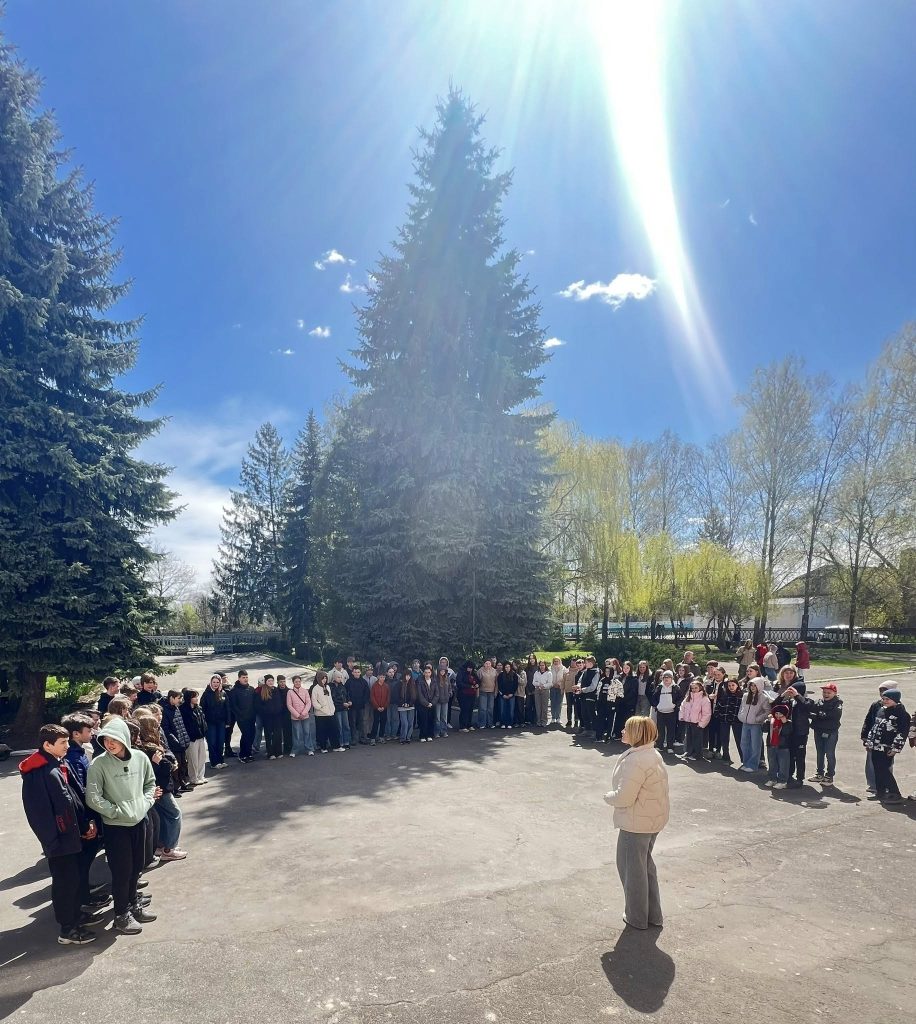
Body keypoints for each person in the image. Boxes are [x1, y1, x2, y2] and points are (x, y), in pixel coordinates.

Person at [20, 724, 103, 945]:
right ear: (47, 745)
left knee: (74, 879)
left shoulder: (58, 763)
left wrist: (85, 824)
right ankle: (68, 929)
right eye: (62, 743)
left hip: (72, 836)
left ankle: (76, 915)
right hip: (59, 841)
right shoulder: (39, 773)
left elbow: (73, 799)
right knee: (65, 884)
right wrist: (53, 841)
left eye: (67, 741)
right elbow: (39, 814)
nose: (67, 746)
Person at [85, 717, 157, 934]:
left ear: (124, 738)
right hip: (116, 827)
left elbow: (150, 784)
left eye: (114, 739)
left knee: (137, 868)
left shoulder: (140, 758)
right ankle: (121, 915)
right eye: (106, 740)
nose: (109, 744)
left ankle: (134, 904)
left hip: (139, 821)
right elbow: (93, 797)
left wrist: (145, 804)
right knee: (121, 872)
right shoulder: (99, 764)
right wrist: (115, 812)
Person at [603, 715, 669, 930]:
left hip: (637, 822)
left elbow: (624, 797)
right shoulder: (652, 754)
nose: (622, 731)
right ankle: (653, 915)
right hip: (651, 819)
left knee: (632, 871)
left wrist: (608, 797)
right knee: (644, 867)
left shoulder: (636, 759)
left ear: (636, 734)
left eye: (626, 728)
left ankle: (637, 917)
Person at [137, 716, 186, 863]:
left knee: (162, 817)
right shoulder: (150, 749)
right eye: (156, 726)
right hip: (160, 788)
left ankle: (163, 845)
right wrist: (167, 765)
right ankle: (169, 849)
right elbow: (157, 769)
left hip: (157, 788)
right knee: (174, 814)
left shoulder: (145, 747)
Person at [863, 688, 908, 805]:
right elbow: (874, 728)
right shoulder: (881, 710)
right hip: (875, 746)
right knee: (877, 769)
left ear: (895, 699)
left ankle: (894, 793)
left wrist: (895, 749)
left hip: (887, 748)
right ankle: (880, 792)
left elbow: (902, 733)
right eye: (883, 699)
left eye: (887, 699)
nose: (884, 701)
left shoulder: (902, 714)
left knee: (884, 770)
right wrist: (869, 742)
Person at [861, 681, 897, 791]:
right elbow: (868, 720)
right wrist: (865, 737)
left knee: (887, 764)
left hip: (887, 742)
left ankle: (886, 786)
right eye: (880, 691)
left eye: (885, 691)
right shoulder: (875, 705)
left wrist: (895, 745)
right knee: (871, 763)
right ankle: (873, 785)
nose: (882, 693)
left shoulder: (897, 708)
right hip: (873, 740)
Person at [809, 683, 843, 785]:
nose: (826, 694)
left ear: (835, 693)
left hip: (830, 732)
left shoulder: (837, 704)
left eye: (829, 693)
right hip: (818, 730)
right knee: (820, 753)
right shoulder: (819, 702)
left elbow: (833, 716)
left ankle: (829, 776)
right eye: (824, 692)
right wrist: (819, 715)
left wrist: (818, 715)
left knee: (829, 753)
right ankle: (819, 774)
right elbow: (812, 712)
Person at [737, 668, 771, 772]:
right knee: (744, 744)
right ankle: (746, 763)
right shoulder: (745, 695)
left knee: (755, 745)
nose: (752, 687)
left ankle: (752, 765)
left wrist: (758, 719)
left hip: (756, 724)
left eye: (755, 685)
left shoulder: (763, 697)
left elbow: (767, 711)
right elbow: (742, 707)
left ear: (759, 686)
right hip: (745, 723)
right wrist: (741, 716)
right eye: (751, 685)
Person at [781, 680, 813, 787]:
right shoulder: (791, 702)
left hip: (801, 734)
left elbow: (807, 706)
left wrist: (797, 695)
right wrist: (783, 695)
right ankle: (789, 775)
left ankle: (800, 778)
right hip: (791, 733)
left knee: (800, 757)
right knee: (790, 755)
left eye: (793, 691)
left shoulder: (806, 701)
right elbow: (776, 705)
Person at [161, 690, 192, 790]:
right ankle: (176, 787)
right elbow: (166, 730)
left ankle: (183, 783)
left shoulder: (176, 708)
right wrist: (175, 741)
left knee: (183, 764)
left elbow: (181, 725)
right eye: (178, 698)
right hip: (174, 744)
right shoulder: (165, 711)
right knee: (176, 765)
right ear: (171, 698)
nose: (180, 700)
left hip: (181, 742)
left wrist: (185, 739)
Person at [679, 679, 712, 762]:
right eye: (692, 688)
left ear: (700, 688)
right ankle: (688, 752)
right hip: (689, 721)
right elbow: (682, 706)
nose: (694, 690)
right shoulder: (688, 697)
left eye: (696, 688)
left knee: (697, 739)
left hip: (697, 722)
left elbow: (707, 713)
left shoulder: (704, 699)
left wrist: (702, 723)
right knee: (689, 738)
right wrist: (682, 716)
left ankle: (697, 755)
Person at [227, 669, 256, 762]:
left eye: (246, 677)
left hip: (251, 717)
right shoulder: (234, 690)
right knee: (246, 735)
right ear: (239, 678)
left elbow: (255, 703)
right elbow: (233, 706)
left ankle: (249, 753)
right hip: (241, 718)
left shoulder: (251, 689)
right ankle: (243, 755)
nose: (245, 679)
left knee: (252, 734)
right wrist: (240, 715)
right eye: (243, 677)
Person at [180, 689, 208, 785]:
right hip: (191, 738)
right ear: (189, 698)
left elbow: (202, 721)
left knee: (202, 757)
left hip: (201, 736)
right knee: (193, 759)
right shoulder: (183, 709)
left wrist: (204, 731)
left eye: (196, 696)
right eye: (194, 697)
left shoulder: (198, 708)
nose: (196, 698)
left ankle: (200, 776)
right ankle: (193, 778)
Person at [712, 677, 743, 765]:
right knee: (724, 739)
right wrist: (718, 715)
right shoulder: (724, 695)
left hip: (737, 720)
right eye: (729, 685)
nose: (731, 687)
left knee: (739, 740)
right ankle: (726, 758)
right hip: (724, 720)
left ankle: (744, 759)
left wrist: (742, 717)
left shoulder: (741, 696)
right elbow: (718, 706)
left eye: (733, 685)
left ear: (737, 685)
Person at [650, 670, 682, 753]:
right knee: (660, 730)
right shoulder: (659, 687)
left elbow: (680, 698)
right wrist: (657, 706)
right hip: (660, 712)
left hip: (671, 712)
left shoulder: (676, 687)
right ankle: (659, 745)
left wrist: (675, 705)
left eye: (668, 677)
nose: (666, 679)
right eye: (664, 677)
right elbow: (654, 698)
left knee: (671, 730)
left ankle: (670, 747)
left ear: (672, 678)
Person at [201, 674, 228, 770]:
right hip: (210, 723)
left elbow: (227, 708)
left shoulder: (223, 693)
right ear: (210, 683)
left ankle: (221, 760)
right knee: (212, 742)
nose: (216, 684)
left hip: (221, 722)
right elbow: (202, 709)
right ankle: (214, 762)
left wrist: (228, 721)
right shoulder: (206, 694)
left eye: (217, 682)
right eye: (214, 682)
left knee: (220, 742)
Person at [310, 671, 341, 752]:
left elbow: (330, 699)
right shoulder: (315, 688)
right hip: (321, 714)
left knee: (334, 730)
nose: (324, 680)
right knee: (322, 731)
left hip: (330, 712)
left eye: (325, 678)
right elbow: (314, 701)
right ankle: (323, 747)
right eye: (323, 678)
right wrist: (321, 707)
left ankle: (336, 746)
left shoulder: (327, 687)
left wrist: (332, 708)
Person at [765, 703, 793, 790]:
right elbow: (764, 729)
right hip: (771, 745)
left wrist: (785, 723)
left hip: (783, 747)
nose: (778, 715)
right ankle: (772, 779)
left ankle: (782, 781)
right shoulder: (772, 721)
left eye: (780, 714)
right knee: (772, 763)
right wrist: (768, 721)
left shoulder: (788, 723)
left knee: (783, 765)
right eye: (776, 713)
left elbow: (787, 733)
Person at [287, 675, 314, 756]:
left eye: (299, 681)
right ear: (293, 682)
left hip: (305, 716)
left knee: (307, 732)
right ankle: (295, 750)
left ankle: (309, 749)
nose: (298, 683)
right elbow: (289, 705)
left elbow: (308, 703)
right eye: (296, 682)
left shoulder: (305, 691)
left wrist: (303, 713)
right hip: (295, 717)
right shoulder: (290, 692)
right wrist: (297, 715)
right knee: (296, 734)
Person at [576, 656, 600, 738]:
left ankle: (594, 731)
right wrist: (578, 686)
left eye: (585, 663)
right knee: (584, 713)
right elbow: (580, 681)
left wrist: (583, 690)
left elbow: (593, 686)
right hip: (583, 695)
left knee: (591, 714)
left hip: (591, 696)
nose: (584, 664)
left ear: (591, 663)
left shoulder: (596, 672)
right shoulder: (585, 671)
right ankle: (587, 730)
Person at [347, 665, 371, 745]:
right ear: (352, 673)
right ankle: (354, 739)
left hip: (361, 706)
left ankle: (362, 738)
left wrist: (363, 702)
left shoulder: (363, 682)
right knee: (353, 723)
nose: (357, 674)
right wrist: (349, 701)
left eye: (358, 672)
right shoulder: (349, 682)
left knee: (362, 722)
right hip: (352, 707)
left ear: (360, 673)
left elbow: (367, 693)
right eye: (355, 672)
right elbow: (346, 693)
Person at [330, 670, 352, 749]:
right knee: (339, 726)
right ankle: (340, 742)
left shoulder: (342, 685)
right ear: (334, 678)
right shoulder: (331, 687)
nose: (340, 679)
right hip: (337, 709)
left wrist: (349, 701)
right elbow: (333, 698)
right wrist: (342, 703)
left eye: (341, 677)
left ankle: (346, 742)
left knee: (346, 726)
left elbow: (346, 695)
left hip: (344, 708)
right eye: (338, 677)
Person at [370, 670, 391, 744]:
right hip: (376, 708)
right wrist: (377, 706)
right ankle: (373, 738)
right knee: (375, 722)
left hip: (384, 707)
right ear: (378, 677)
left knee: (383, 722)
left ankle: (381, 737)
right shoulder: (374, 686)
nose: (382, 678)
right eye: (381, 677)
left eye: (383, 677)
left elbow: (388, 697)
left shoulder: (386, 686)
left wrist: (384, 706)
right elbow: (372, 697)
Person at [398, 667, 418, 743]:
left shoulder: (413, 684)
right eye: (406, 675)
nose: (408, 677)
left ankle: (408, 737)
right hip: (402, 707)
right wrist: (402, 704)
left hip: (411, 706)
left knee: (410, 723)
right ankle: (402, 738)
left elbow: (414, 696)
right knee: (404, 723)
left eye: (409, 676)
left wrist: (409, 704)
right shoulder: (399, 684)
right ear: (404, 675)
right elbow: (397, 696)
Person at [415, 664, 435, 741]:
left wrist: (432, 703)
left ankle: (429, 735)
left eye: (429, 672)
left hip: (432, 704)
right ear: (423, 673)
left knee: (430, 720)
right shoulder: (420, 681)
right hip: (423, 705)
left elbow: (436, 694)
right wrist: (427, 703)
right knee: (423, 720)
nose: (427, 674)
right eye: (426, 672)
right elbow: (419, 694)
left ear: (431, 673)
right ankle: (422, 736)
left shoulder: (434, 681)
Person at [431, 666, 452, 738]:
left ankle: (444, 731)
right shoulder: (435, 679)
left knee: (444, 717)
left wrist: (449, 694)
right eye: (441, 671)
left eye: (444, 671)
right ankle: (436, 732)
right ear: (438, 671)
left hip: (445, 700)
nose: (442, 672)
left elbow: (450, 688)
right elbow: (433, 689)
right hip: (438, 701)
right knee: (437, 717)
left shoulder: (447, 678)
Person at [457, 662, 479, 732]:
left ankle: (469, 724)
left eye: (471, 668)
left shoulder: (473, 673)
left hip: (472, 694)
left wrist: (477, 684)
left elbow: (478, 680)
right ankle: (462, 726)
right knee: (464, 710)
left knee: (470, 709)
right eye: (469, 668)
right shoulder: (461, 672)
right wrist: (469, 686)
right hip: (463, 694)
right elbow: (459, 683)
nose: (470, 669)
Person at [477, 658, 497, 729]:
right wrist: (477, 693)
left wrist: (496, 691)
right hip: (483, 692)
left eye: (489, 663)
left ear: (491, 664)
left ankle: (490, 723)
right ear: (484, 664)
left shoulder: (494, 671)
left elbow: (496, 682)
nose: (488, 665)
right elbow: (477, 682)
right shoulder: (480, 671)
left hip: (491, 692)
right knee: (483, 708)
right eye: (486, 663)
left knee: (490, 708)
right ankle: (481, 723)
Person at [532, 660, 552, 728]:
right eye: (540, 665)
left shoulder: (549, 673)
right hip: (537, 690)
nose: (542, 667)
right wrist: (538, 684)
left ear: (545, 665)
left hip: (545, 690)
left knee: (544, 707)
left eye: (543, 665)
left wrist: (544, 686)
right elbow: (533, 682)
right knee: (538, 706)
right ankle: (538, 721)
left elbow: (550, 683)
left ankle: (544, 721)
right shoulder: (536, 672)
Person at [563, 657, 582, 729]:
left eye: (574, 663)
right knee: (569, 706)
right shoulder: (566, 671)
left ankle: (576, 721)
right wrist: (562, 689)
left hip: (576, 691)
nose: (573, 664)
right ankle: (569, 720)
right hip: (568, 691)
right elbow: (563, 680)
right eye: (572, 663)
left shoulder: (579, 671)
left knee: (576, 707)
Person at [497, 662, 517, 729]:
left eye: (508, 667)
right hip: (503, 695)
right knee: (503, 710)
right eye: (506, 667)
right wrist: (503, 694)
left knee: (511, 710)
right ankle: (503, 723)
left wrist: (512, 693)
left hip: (511, 695)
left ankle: (510, 723)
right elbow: (499, 686)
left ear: (510, 667)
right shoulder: (500, 675)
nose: (507, 668)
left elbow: (515, 685)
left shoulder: (514, 675)